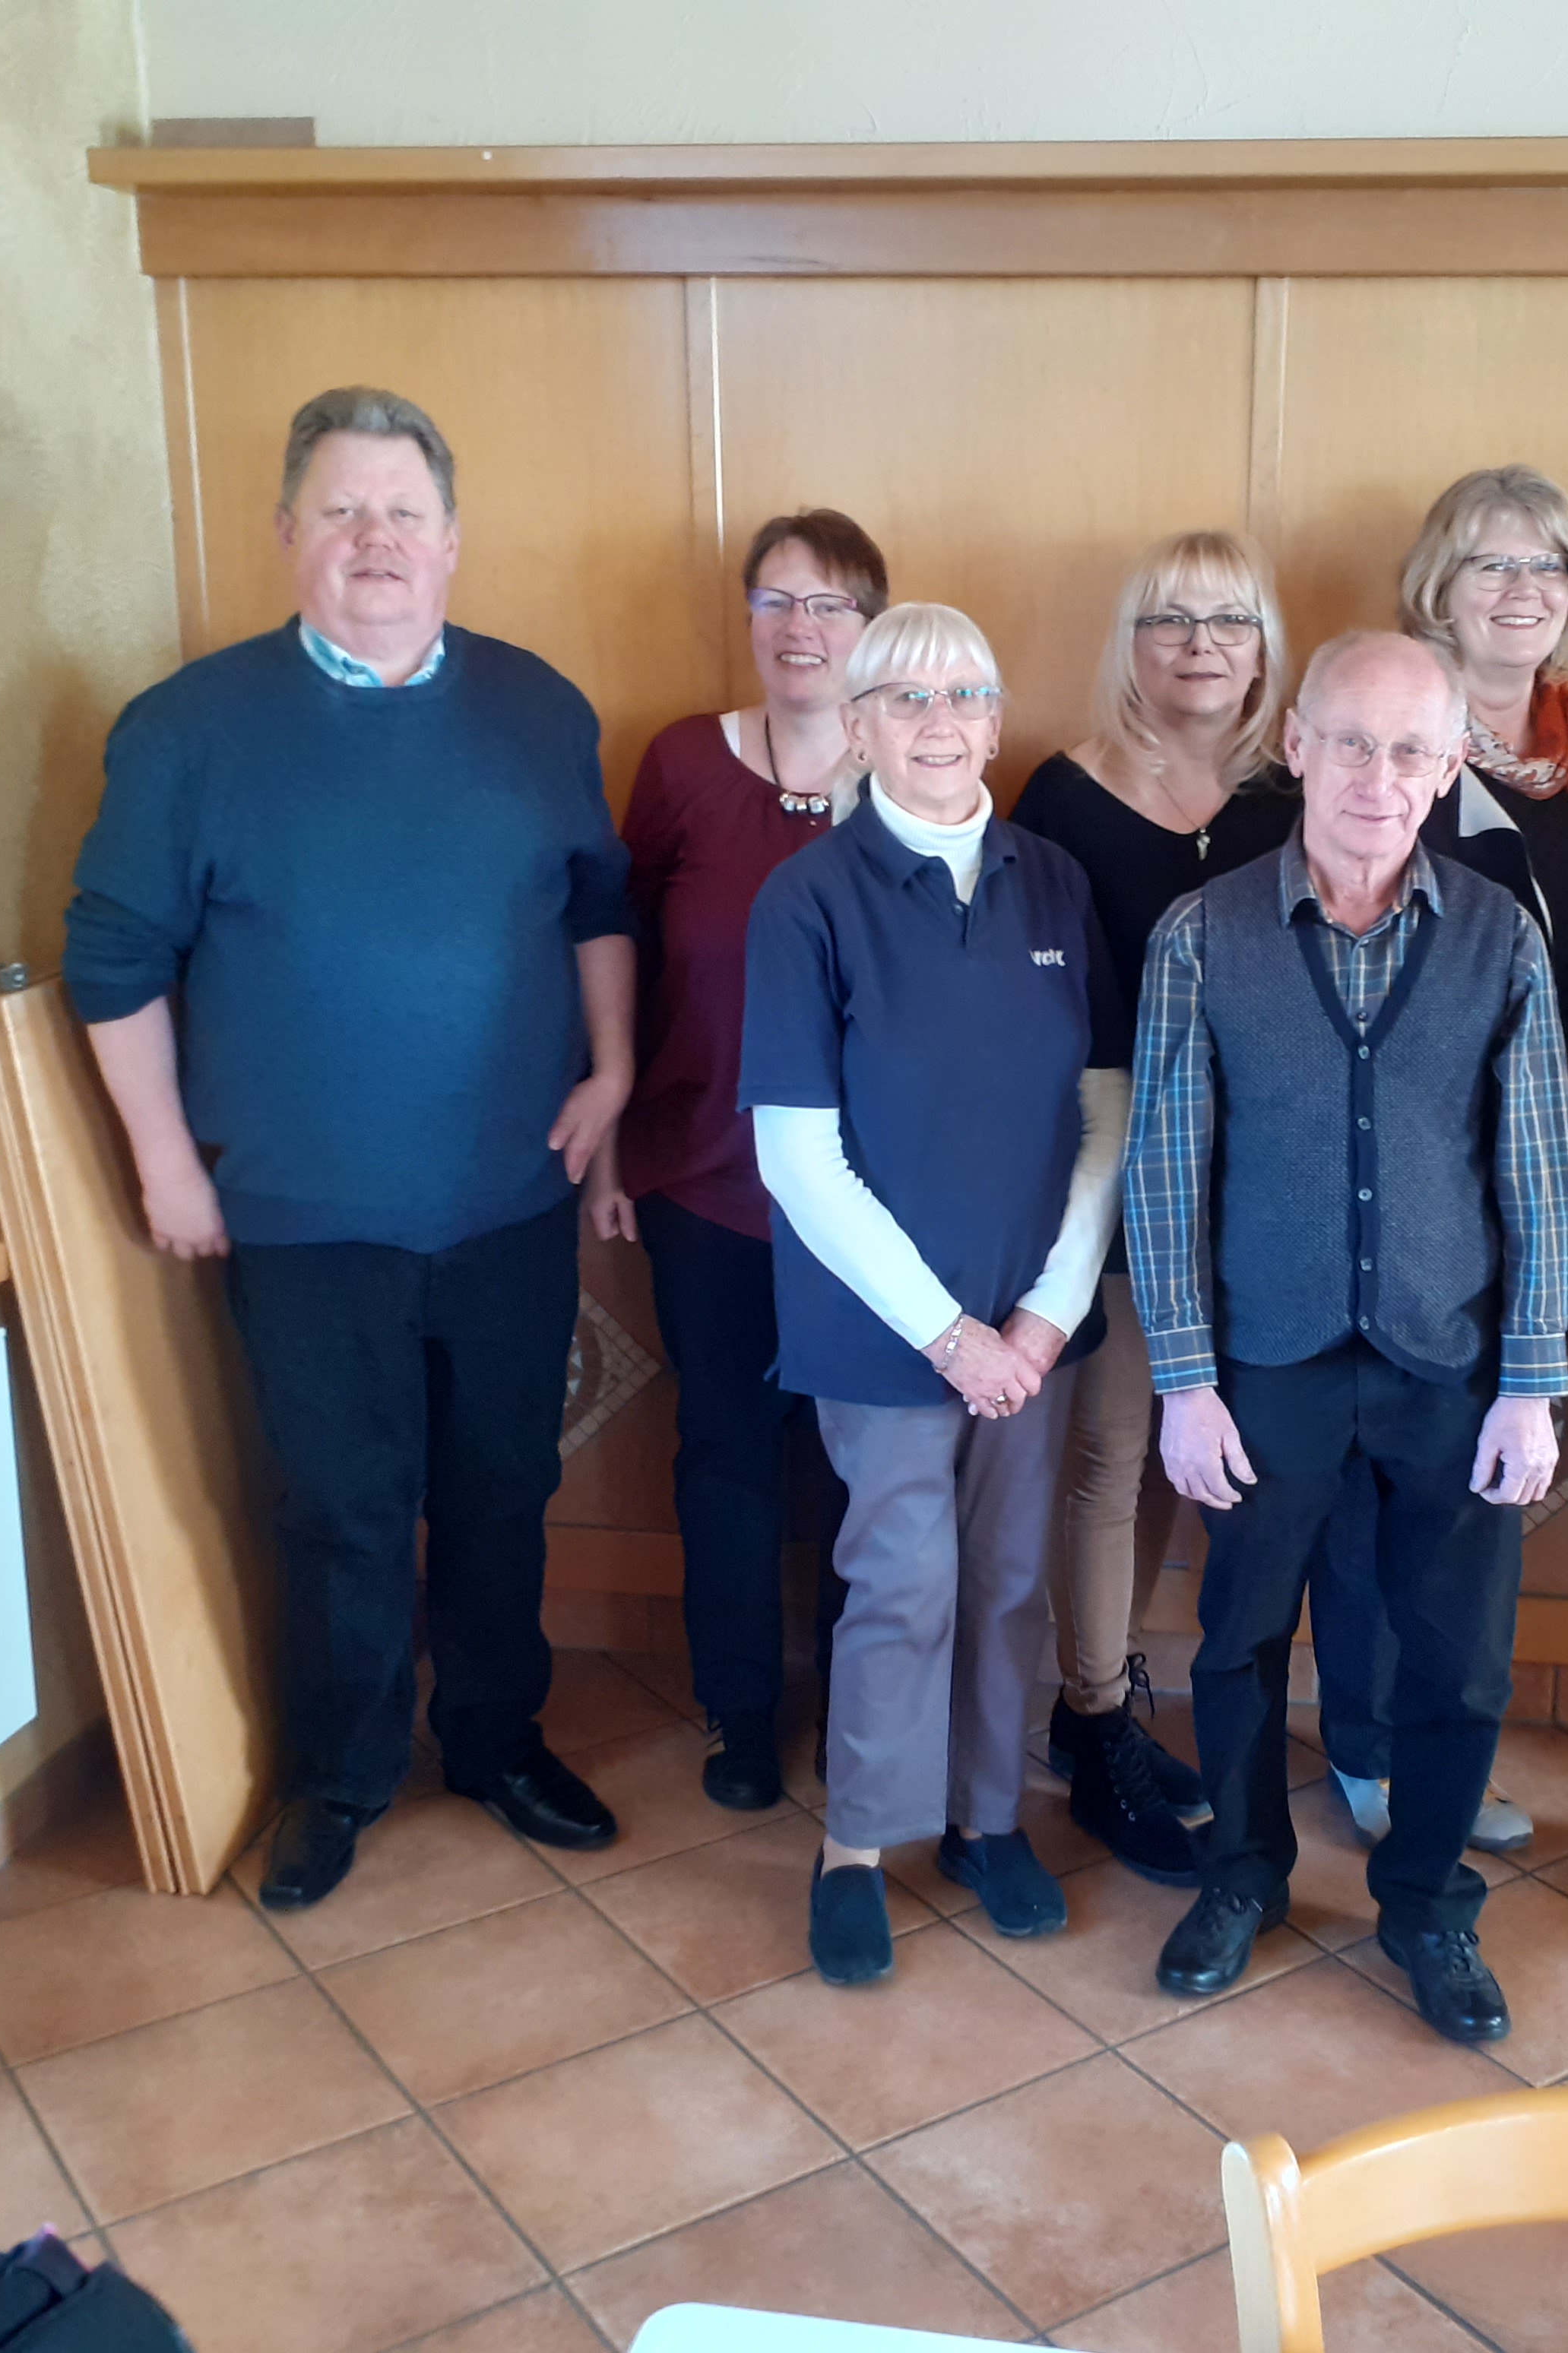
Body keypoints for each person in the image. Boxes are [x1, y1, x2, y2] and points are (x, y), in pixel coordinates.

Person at [65, 386, 638, 1911]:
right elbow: (112, 961)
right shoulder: (188, 732)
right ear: (287, 535)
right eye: (341, 510)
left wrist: (617, 1072)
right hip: (303, 1218)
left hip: (509, 1197)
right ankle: (341, 1773)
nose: (374, 540)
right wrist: (165, 1163)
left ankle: (498, 1738)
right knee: (340, 1505)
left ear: (453, 541)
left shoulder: (539, 709)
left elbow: (598, 904)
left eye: (402, 512)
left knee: (507, 1481)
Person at [1128, 630, 1568, 2047]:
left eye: (1412, 751)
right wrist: (1185, 1380)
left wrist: (1531, 1380)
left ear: (1450, 772)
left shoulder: (1502, 937)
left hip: (1452, 1368)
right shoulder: (1201, 934)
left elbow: (1541, 1173)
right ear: (1298, 746)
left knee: (1460, 1661)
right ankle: (1245, 1876)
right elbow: (1163, 1166)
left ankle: (1429, 1905)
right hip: (1268, 1363)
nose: (1378, 778)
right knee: (1240, 1641)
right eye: (1353, 742)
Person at [740, 603, 1131, 1987]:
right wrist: (950, 1334)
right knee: (902, 1581)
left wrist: (1037, 1317)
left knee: (1013, 1578)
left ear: (996, 716)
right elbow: (796, 1151)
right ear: (856, 726)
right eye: (903, 700)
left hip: (1036, 1329)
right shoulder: (809, 900)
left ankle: (986, 1822)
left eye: (965, 694)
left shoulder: (1051, 880)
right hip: (885, 1334)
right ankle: (858, 1845)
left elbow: (1105, 1113)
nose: (938, 722)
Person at [1308, 465, 1568, 1859]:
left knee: (1485, 1474)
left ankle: (1440, 1746)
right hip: (1408, 1175)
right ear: (1437, 588)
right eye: (1488, 564)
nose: (1521, 589)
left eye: (1546, 564)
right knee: (1371, 1473)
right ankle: (1366, 1748)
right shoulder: (1387, 740)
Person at [1008, 530, 1300, 1883]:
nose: (1200, 644)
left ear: (1265, 646)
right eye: (1171, 619)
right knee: (1114, 1447)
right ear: (1130, 642)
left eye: (1229, 621)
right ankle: (1095, 1721)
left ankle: (1110, 1680)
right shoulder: (1059, 797)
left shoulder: (1290, 793)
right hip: (1116, 1166)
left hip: (1259, 1175)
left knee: (1192, 1442)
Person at [592, 510, 886, 1812]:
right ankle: (739, 1715)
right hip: (704, 1178)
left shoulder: (915, 769)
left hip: (873, 1206)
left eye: (828, 604)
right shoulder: (681, 765)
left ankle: (849, 1698)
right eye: (776, 602)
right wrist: (609, 1138)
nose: (801, 628)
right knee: (721, 1452)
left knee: (852, 1465)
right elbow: (623, 949)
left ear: (870, 628)